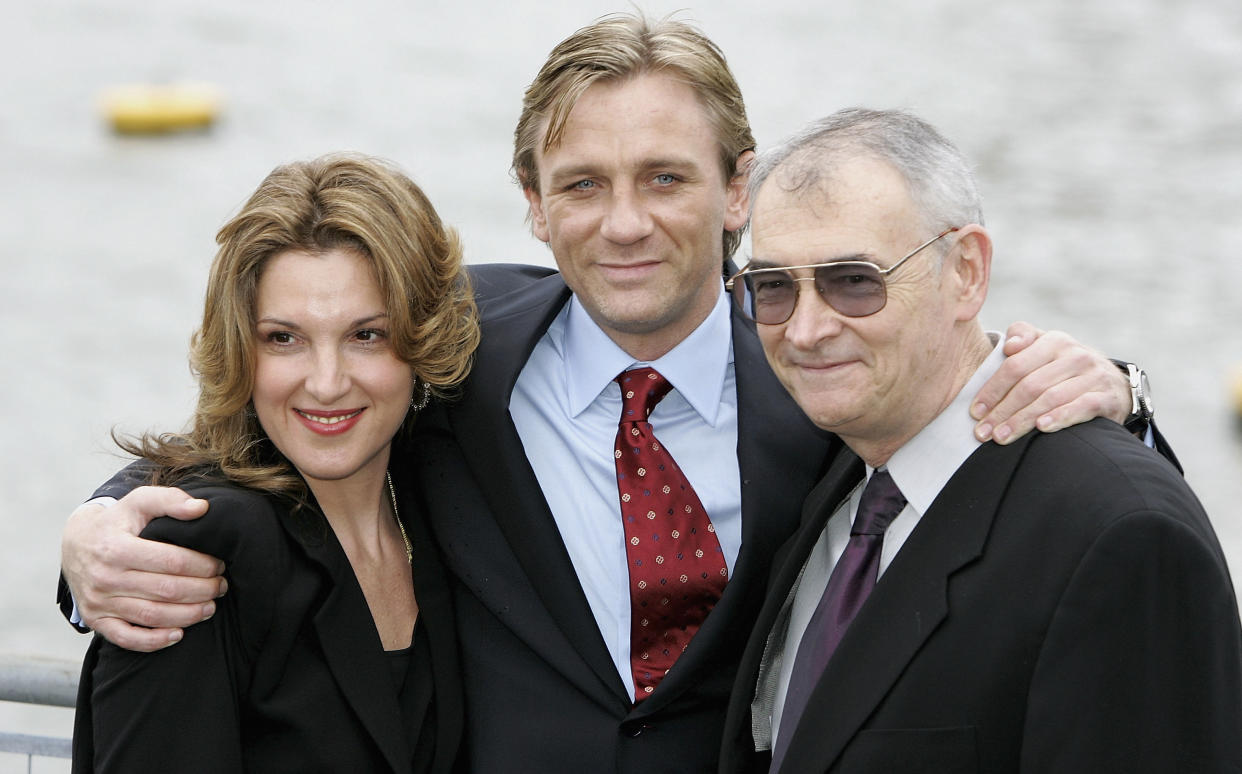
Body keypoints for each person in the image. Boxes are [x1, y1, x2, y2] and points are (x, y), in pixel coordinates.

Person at [60, 15, 1168, 773]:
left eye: (666, 178)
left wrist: (1119, 392)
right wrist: (99, 533)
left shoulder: (823, 375)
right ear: (533, 205)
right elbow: (277, 411)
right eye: (583, 184)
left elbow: (1009, 480)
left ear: (739, 188)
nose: (624, 222)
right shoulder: (451, 347)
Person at [718, 108, 1241, 773]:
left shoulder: (1118, 534)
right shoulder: (829, 469)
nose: (805, 330)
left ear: (965, 270)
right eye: (773, 288)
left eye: (854, 282)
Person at [71, 153, 479, 773]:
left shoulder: (443, 504)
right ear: (241, 348)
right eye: (283, 338)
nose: (326, 383)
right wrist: (93, 520)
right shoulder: (190, 562)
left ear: (424, 338)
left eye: (366, 334)